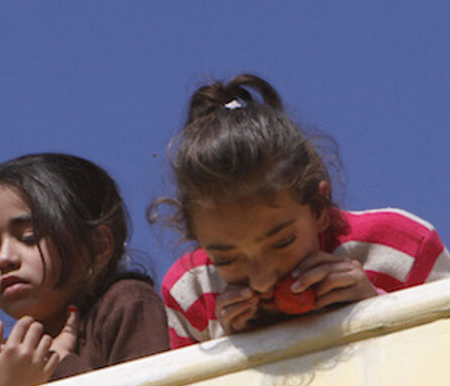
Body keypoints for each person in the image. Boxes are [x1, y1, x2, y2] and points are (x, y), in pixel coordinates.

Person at [157, 73, 450, 348]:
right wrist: (232, 348)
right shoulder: (192, 295)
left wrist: (376, 310)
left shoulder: (402, 251)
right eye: (226, 259)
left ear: (319, 208)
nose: (262, 282)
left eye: (282, 242)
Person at [0, 153, 168, 386]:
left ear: (98, 246)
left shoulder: (126, 306)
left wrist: (57, 368)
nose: (4, 259)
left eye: (28, 237)